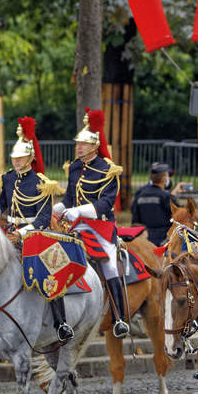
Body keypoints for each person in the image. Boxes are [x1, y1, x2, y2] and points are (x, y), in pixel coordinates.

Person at [0, 116, 73, 344]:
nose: (16, 161)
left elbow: (44, 218)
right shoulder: (7, 179)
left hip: (34, 233)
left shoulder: (40, 182)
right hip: (10, 228)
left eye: (21, 157)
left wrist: (22, 233)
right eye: (14, 157)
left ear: (30, 158)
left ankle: (61, 322)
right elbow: (2, 201)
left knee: (48, 271)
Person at [54, 108, 129, 339]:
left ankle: (120, 318)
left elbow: (106, 204)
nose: (79, 147)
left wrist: (77, 211)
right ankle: (60, 318)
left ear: (94, 146)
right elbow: (69, 198)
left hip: (100, 226)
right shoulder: (75, 167)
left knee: (107, 264)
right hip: (75, 225)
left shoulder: (108, 169)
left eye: (83, 144)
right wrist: (54, 209)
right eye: (78, 143)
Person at [131, 162, 173, 246]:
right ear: (164, 179)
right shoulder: (166, 196)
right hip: (164, 239)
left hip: (144, 238)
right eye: (168, 176)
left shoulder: (140, 194)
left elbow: (135, 219)